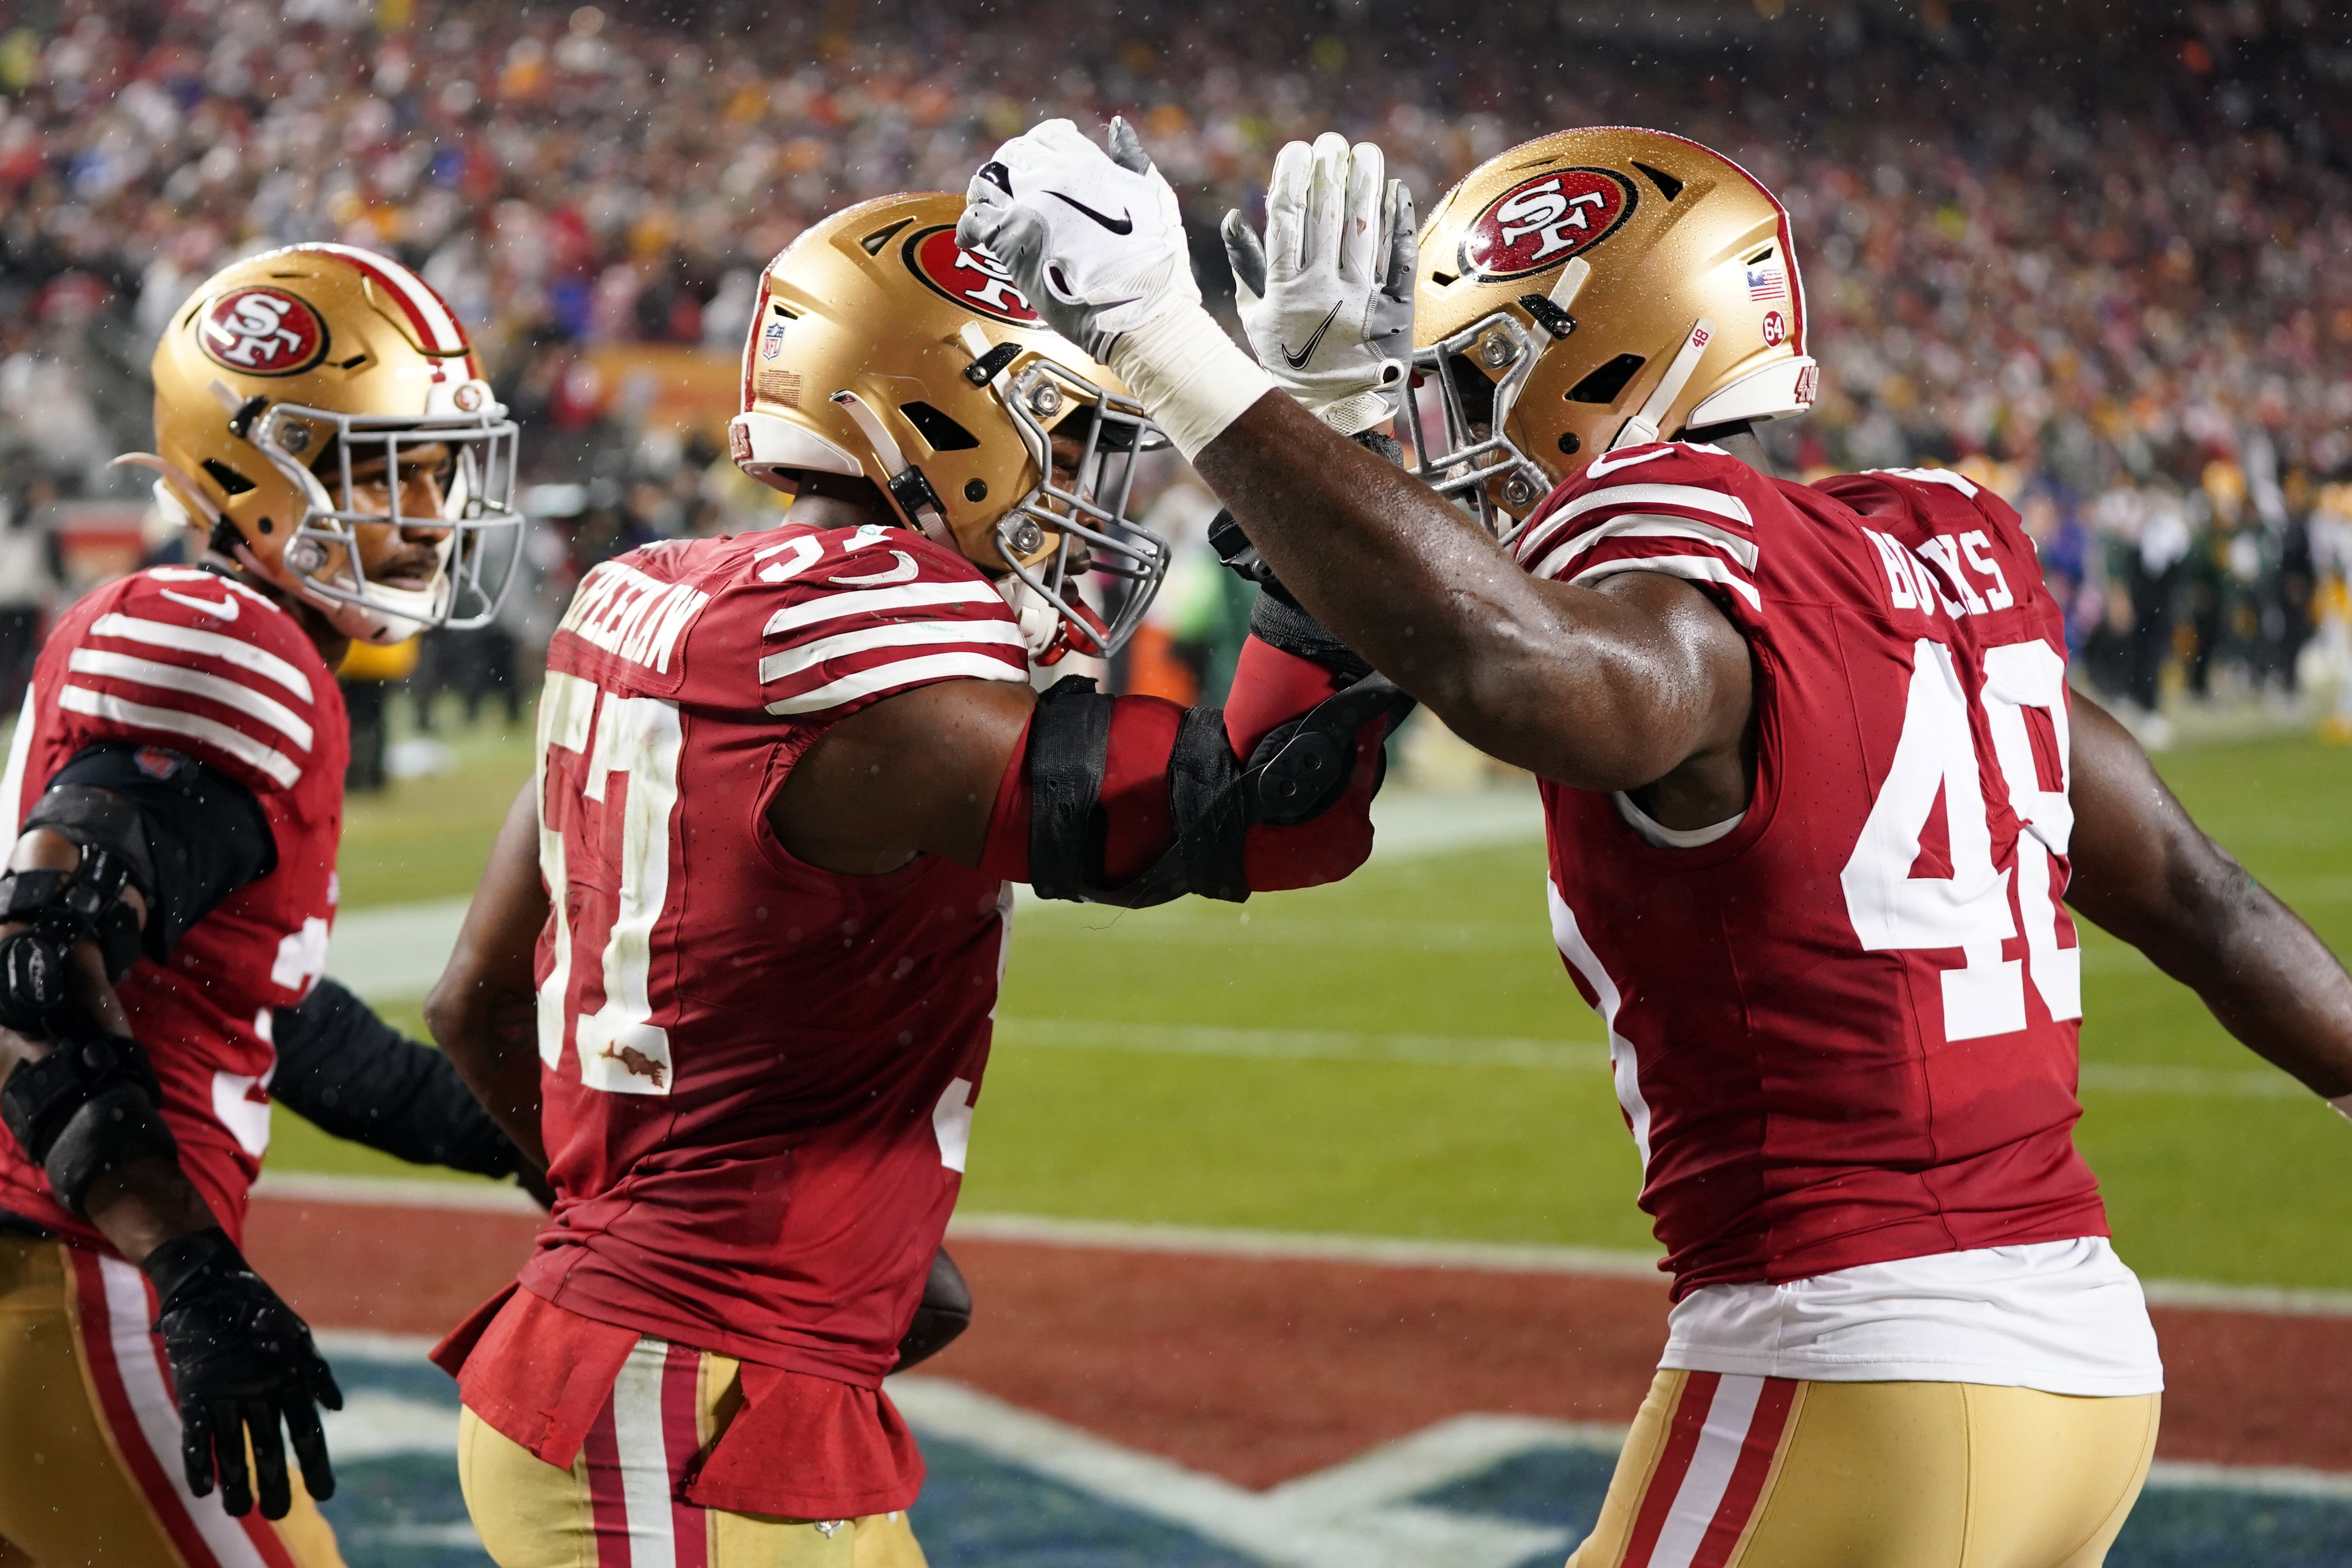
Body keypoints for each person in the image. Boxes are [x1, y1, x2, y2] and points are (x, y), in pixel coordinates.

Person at [960, 122, 2352, 1564]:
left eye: (1477, 375)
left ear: (1604, 361)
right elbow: (2207, 899)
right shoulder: (1918, 566)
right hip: (2085, 1365)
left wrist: (1169, 345)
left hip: (1853, 1354)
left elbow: (1517, 667)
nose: (1452, 420)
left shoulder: (1682, 565)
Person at [423, 190, 1406, 1566]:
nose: (1079, 486)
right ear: (934, 416)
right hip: (680, 1410)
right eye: (1056, 434)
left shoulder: (644, 596)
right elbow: (1263, 811)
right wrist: (1329, 454)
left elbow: (471, 998)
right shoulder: (854, 647)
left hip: (705, 1376)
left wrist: (657, 1227)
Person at [0, 242, 528, 1566]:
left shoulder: (212, 635)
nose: (427, 513)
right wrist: (187, 1267)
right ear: (250, 475)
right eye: (382, 471)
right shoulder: (228, 645)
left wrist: (530, 1135)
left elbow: (264, 1014)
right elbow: (36, 961)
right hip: (61, 1267)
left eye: (438, 470)